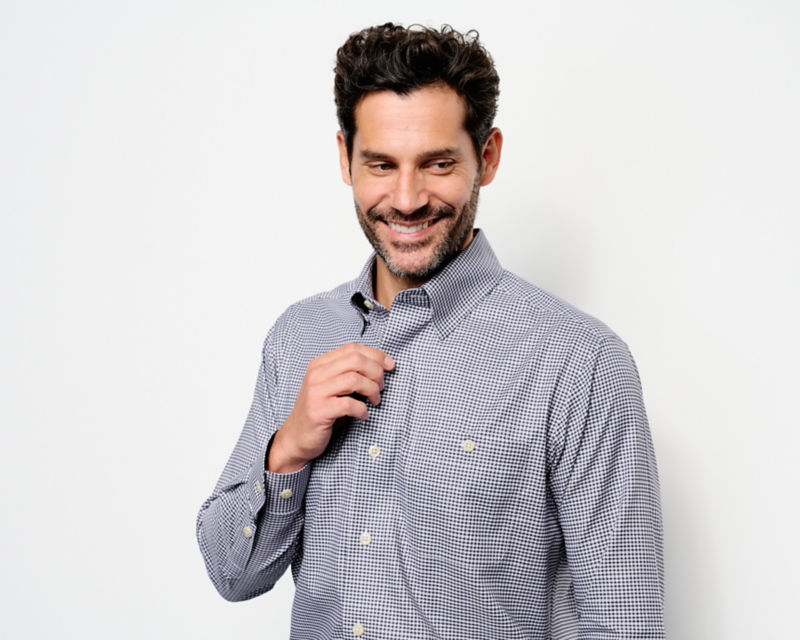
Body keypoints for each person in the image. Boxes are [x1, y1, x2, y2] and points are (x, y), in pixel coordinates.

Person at [196, 23, 664, 639]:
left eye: (438, 164)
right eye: (381, 164)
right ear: (345, 158)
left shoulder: (579, 361)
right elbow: (232, 575)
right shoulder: (300, 335)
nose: (407, 198)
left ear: (486, 157)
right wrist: (287, 449)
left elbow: (624, 622)